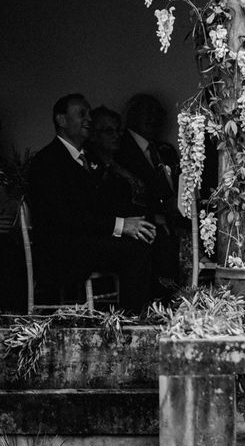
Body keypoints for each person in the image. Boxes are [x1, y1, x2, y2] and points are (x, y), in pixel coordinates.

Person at [27, 94, 156, 314]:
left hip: (87, 241)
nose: (89, 119)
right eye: (81, 114)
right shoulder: (47, 162)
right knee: (134, 252)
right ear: (61, 120)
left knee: (145, 240)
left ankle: (142, 314)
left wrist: (135, 224)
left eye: (89, 113)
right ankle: (130, 321)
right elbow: (65, 216)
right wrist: (120, 226)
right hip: (61, 250)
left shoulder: (89, 158)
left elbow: (102, 205)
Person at [115, 93, 181, 297]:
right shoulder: (120, 148)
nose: (153, 119)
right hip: (142, 222)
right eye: (147, 113)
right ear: (132, 116)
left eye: (157, 114)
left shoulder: (165, 150)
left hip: (173, 220)